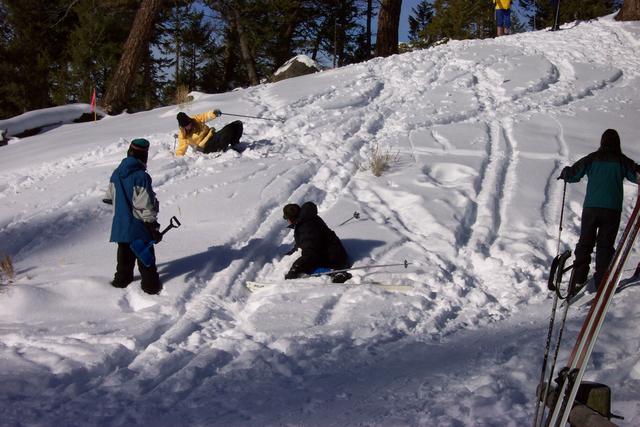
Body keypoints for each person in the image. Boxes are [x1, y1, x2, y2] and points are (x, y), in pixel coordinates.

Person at [558, 129, 640, 291]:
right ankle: (602, 281)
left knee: (585, 243)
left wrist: (566, 173)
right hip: (612, 210)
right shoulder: (622, 161)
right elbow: (636, 174)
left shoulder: (592, 159)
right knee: (605, 245)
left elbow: (573, 174)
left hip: (591, 209)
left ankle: (578, 278)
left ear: (602, 142)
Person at [104, 138, 163, 294]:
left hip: (121, 227)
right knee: (146, 262)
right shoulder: (141, 177)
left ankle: (119, 286)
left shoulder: (116, 174)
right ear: (143, 156)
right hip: (139, 227)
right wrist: (152, 226)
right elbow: (145, 205)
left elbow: (109, 197)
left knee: (124, 262)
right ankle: (151, 289)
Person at [283, 202, 352, 283]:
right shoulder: (307, 219)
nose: (287, 221)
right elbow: (304, 241)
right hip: (332, 250)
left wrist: (295, 269)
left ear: (291, 219)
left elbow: (310, 252)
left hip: (333, 258)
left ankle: (335, 273)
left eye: (286, 219)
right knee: (307, 262)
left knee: (308, 267)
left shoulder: (305, 227)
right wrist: (293, 251)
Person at [175, 110, 243, 156]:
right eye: (186, 126)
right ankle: (221, 149)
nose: (188, 126)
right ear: (182, 127)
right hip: (206, 147)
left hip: (213, 136)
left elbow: (205, 116)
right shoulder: (183, 135)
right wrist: (178, 158)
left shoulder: (195, 120)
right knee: (227, 132)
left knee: (237, 124)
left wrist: (214, 113)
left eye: (189, 123)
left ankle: (235, 144)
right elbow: (181, 148)